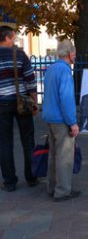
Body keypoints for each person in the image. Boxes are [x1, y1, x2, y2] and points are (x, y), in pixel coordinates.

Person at [0, 25, 39, 192]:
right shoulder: (20, 55)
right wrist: (34, 103)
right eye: (13, 36)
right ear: (7, 37)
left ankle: (10, 181)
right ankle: (31, 177)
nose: (15, 39)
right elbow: (30, 80)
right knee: (28, 140)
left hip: (1, 104)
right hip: (21, 102)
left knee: (4, 142)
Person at [42, 39, 81, 202]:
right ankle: (63, 190)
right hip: (61, 119)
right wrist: (72, 122)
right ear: (70, 54)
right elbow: (66, 98)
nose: (75, 57)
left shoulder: (51, 68)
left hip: (49, 116)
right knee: (64, 156)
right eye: (75, 54)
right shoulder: (65, 71)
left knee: (53, 154)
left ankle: (52, 187)